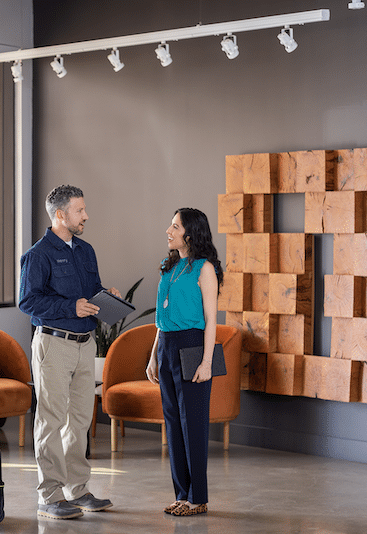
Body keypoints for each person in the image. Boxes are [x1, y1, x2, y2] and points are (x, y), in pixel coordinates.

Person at [19, 184, 120, 520]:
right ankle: (49, 496)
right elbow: (28, 301)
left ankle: (77, 490)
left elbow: (88, 293)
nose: (86, 216)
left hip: (84, 344)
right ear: (60, 214)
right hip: (53, 345)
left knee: (78, 421)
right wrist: (69, 307)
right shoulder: (38, 255)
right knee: (51, 419)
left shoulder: (85, 250)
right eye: (80, 210)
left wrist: (106, 296)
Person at [146, 207, 223, 517]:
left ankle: (198, 497)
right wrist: (153, 356)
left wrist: (206, 362)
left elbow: (211, 320)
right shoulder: (169, 267)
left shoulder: (204, 269)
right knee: (173, 424)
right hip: (166, 346)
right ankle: (181, 494)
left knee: (193, 425)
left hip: (192, 346)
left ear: (190, 234)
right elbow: (160, 318)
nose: (169, 230)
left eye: (175, 226)